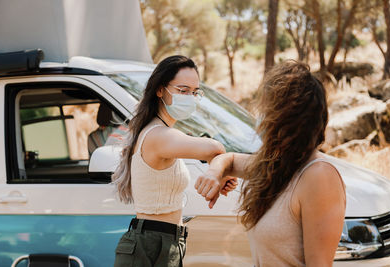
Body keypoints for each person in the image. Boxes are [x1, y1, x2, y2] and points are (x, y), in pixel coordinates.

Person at [195, 61, 346, 267]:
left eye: (267, 108)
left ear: (286, 116)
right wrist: (214, 173)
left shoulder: (319, 176)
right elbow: (228, 159)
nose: (261, 116)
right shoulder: (277, 164)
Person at [112, 55, 238, 267]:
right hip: (150, 245)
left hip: (165, 242)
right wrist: (219, 171)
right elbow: (215, 148)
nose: (190, 97)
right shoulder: (158, 135)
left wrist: (219, 172)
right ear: (160, 90)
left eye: (195, 92)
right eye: (183, 90)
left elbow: (212, 154)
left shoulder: (164, 132)